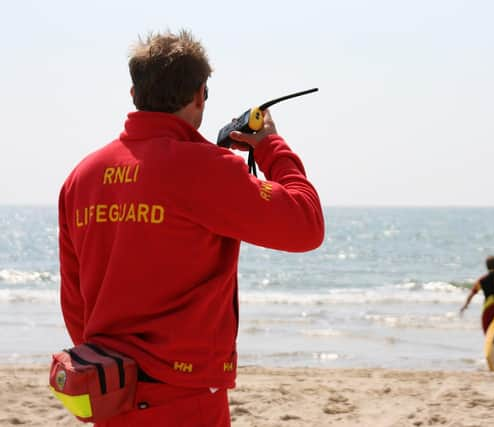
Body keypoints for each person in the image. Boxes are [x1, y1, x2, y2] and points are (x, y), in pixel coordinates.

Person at [57, 29, 324, 426]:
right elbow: (306, 225)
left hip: (109, 390)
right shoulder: (206, 167)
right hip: (184, 396)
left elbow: (75, 300)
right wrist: (270, 145)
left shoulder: (82, 176)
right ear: (200, 94)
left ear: (134, 94)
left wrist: (110, 368)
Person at [460, 255, 494, 333]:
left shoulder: (482, 280)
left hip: (487, 310)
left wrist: (465, 306)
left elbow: (472, 293)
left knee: (488, 334)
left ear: (486, 266)